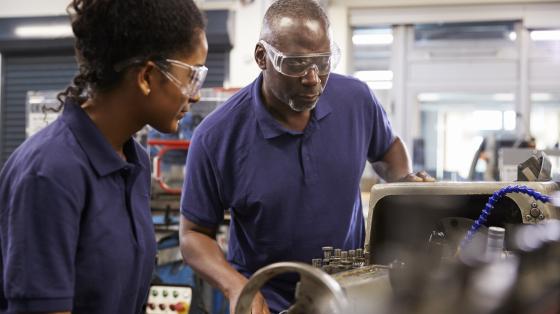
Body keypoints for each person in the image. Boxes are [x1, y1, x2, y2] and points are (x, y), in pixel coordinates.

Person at [179, 1, 433, 313]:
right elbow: (193, 235)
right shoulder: (216, 137)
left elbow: (388, 148)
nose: (313, 79)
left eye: (323, 62)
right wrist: (237, 286)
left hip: (349, 293)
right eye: (297, 64)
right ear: (262, 57)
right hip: (269, 301)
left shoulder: (356, 100)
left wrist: (403, 182)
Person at [0, 0, 207, 313]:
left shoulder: (134, 160)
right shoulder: (49, 173)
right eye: (192, 76)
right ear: (147, 77)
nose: (196, 95)